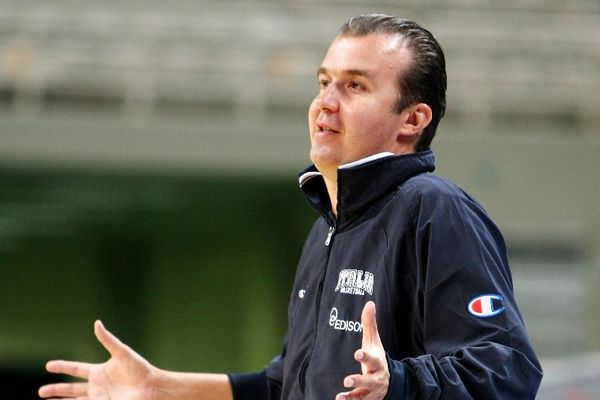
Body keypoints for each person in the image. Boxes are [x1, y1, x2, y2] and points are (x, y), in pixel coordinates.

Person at [39, 14, 543, 400]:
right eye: (324, 82)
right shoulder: (329, 225)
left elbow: (508, 370)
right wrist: (161, 387)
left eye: (355, 86)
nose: (326, 102)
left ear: (412, 120)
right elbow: (287, 384)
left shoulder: (435, 209)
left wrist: (398, 382)